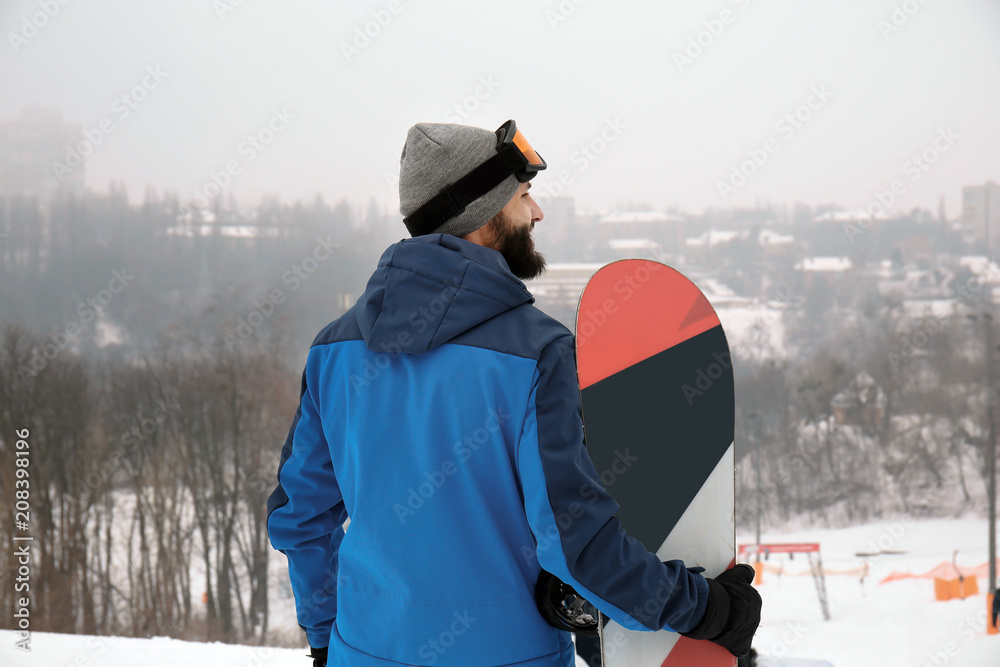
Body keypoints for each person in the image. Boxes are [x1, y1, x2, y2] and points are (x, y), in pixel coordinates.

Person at [266, 120, 761, 667]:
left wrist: (325, 640)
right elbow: (575, 544)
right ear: (481, 213)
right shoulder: (539, 354)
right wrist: (708, 610)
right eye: (524, 196)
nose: (538, 213)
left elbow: (300, 519)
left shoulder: (333, 350)